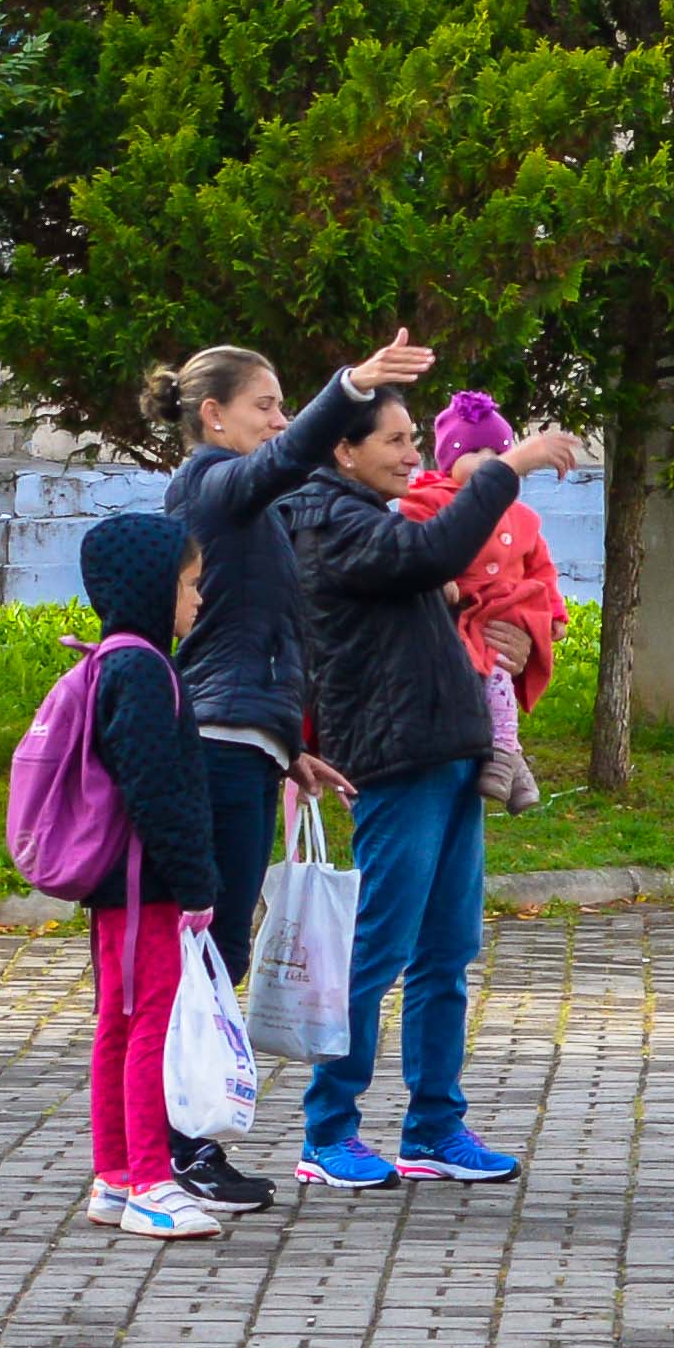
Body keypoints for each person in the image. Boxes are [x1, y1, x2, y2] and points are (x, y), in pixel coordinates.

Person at [279, 380, 582, 1189]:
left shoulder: (372, 512)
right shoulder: (326, 519)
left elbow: (444, 588)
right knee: (377, 951)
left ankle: (435, 1129)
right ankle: (327, 1131)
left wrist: (505, 634)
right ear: (344, 450)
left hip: (449, 748)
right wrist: (508, 466)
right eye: (396, 442)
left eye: (417, 439)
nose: (415, 456)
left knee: (448, 952)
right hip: (396, 758)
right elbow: (433, 555)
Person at [147, 336, 417, 1205]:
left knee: (218, 951)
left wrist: (287, 743)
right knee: (212, 952)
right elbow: (291, 457)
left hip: (243, 742)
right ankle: (180, 1149)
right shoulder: (210, 484)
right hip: (218, 746)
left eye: (284, 401)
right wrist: (350, 390)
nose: (279, 418)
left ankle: (183, 1147)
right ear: (211, 415)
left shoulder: (247, 512)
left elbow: (250, 633)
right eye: (265, 404)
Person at [63, 512, 244, 1240]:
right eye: (190, 585)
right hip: (147, 886)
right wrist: (197, 880)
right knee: (151, 1028)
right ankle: (148, 1181)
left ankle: (113, 1176)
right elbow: (156, 787)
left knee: (121, 1022)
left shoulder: (116, 659)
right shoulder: (142, 668)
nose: (198, 600)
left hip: (119, 888)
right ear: (151, 586)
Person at [403, 391, 568, 811]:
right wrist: (439, 579)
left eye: (499, 451)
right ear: (447, 461)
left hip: (510, 610)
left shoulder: (523, 517)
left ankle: (506, 755)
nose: (489, 460)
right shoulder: (430, 500)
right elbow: (417, 544)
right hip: (469, 612)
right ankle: (507, 758)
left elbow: (542, 570)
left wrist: (555, 614)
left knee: (497, 669)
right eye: (475, 451)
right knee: (487, 672)